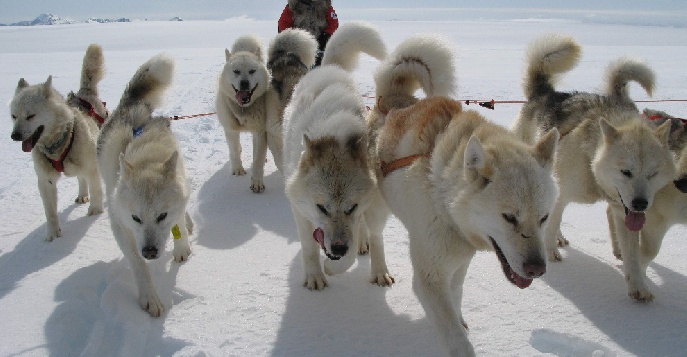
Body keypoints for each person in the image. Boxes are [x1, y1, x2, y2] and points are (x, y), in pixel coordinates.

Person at [278, 0, 338, 66]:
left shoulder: (325, 5)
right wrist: (292, 38)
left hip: (321, 45)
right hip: (298, 47)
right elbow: (284, 24)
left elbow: (333, 22)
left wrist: (326, 35)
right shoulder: (293, 6)